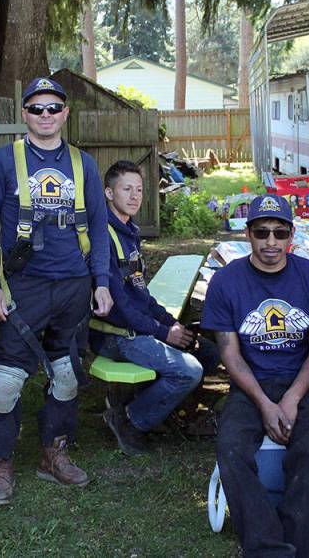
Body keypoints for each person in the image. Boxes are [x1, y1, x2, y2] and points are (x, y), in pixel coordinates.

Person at [0, 77, 112, 502]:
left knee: (67, 375)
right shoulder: (2, 161)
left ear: (65, 113)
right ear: (24, 114)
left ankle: (54, 454)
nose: (46, 115)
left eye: (54, 108)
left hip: (73, 284)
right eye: (37, 108)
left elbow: (101, 228)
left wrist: (102, 282)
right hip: (23, 286)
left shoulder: (83, 164)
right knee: (5, 381)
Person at [202, 194, 309, 558]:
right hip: (250, 386)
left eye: (279, 232)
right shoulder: (226, 281)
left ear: (291, 234)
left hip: (303, 385)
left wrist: (290, 399)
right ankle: (267, 547)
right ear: (248, 234)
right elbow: (229, 352)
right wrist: (264, 403)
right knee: (230, 449)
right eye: (262, 232)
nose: (271, 242)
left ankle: (294, 545)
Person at [91, 160, 220, 455]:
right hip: (115, 334)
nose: (135, 196)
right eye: (127, 189)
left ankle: (157, 410)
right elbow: (120, 308)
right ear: (109, 194)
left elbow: (141, 295)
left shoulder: (129, 231)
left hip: (135, 326)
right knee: (188, 371)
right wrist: (163, 332)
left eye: (139, 189)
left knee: (208, 352)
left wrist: (173, 324)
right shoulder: (103, 238)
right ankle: (129, 420)